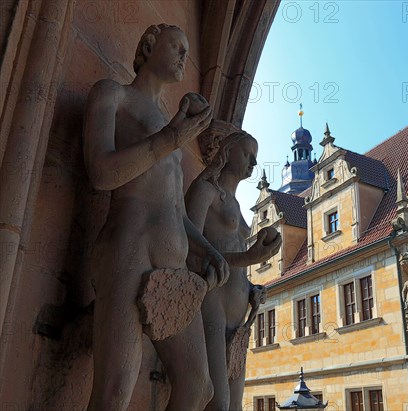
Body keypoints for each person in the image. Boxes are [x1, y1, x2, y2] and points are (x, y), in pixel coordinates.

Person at [83, 24, 226, 410]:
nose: (184, 55)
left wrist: (207, 247)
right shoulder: (113, 95)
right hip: (129, 250)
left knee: (199, 387)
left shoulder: (171, 122)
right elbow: (100, 173)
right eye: (176, 46)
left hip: (174, 263)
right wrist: (170, 140)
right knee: (114, 392)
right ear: (148, 46)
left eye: (186, 49)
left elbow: (175, 209)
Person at [185, 125, 281, 410]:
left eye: (256, 156)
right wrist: (249, 258)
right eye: (249, 153)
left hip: (239, 312)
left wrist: (253, 288)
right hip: (211, 299)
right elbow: (188, 245)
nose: (254, 162)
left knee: (236, 404)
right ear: (227, 152)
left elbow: (239, 262)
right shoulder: (206, 190)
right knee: (218, 401)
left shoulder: (239, 207)